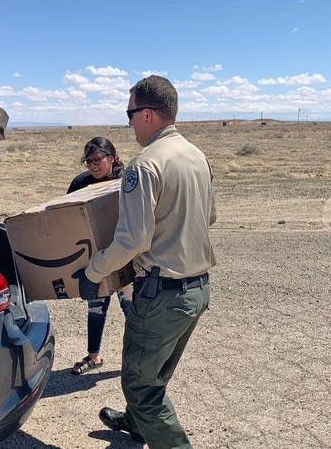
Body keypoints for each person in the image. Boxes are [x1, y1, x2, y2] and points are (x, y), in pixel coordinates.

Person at [73, 75, 216, 448]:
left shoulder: (144, 164)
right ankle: (137, 425)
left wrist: (93, 271)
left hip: (162, 294)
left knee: (141, 385)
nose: (129, 121)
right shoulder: (196, 156)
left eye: (130, 112)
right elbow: (209, 217)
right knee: (157, 373)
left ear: (148, 114)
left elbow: (132, 240)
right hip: (197, 289)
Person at [68, 136, 132, 375]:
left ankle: (135, 361)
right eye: (88, 161)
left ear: (112, 158)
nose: (93, 166)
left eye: (97, 159)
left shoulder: (126, 182)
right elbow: (66, 217)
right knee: (95, 308)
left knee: (131, 310)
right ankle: (93, 357)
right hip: (94, 260)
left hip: (125, 258)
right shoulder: (80, 183)